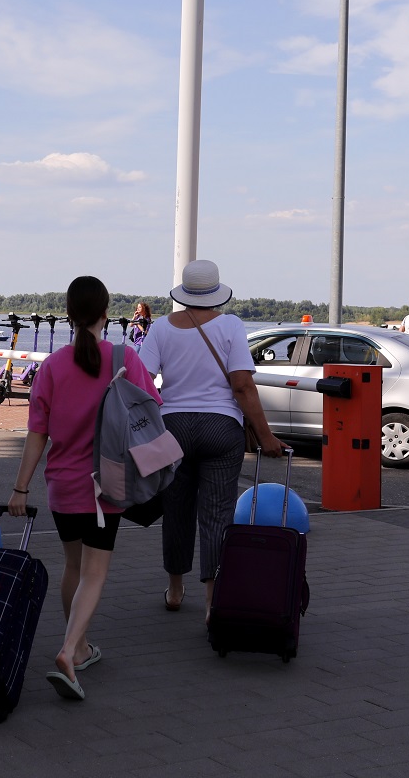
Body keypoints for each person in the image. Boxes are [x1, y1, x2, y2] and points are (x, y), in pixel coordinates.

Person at [6, 275, 161, 702]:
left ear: (70, 314)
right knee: (96, 572)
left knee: (73, 566)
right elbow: (151, 411)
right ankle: (70, 650)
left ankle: (84, 645)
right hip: (108, 483)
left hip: (62, 486)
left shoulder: (53, 366)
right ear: (106, 313)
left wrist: (20, 489)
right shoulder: (125, 357)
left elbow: (37, 433)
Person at [137, 260, 286, 625]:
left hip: (173, 429)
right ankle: (211, 600)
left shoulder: (160, 329)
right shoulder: (231, 326)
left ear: (184, 294)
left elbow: (141, 381)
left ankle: (174, 590)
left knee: (176, 510)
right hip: (222, 429)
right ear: (216, 291)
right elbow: (242, 385)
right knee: (216, 514)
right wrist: (265, 435)